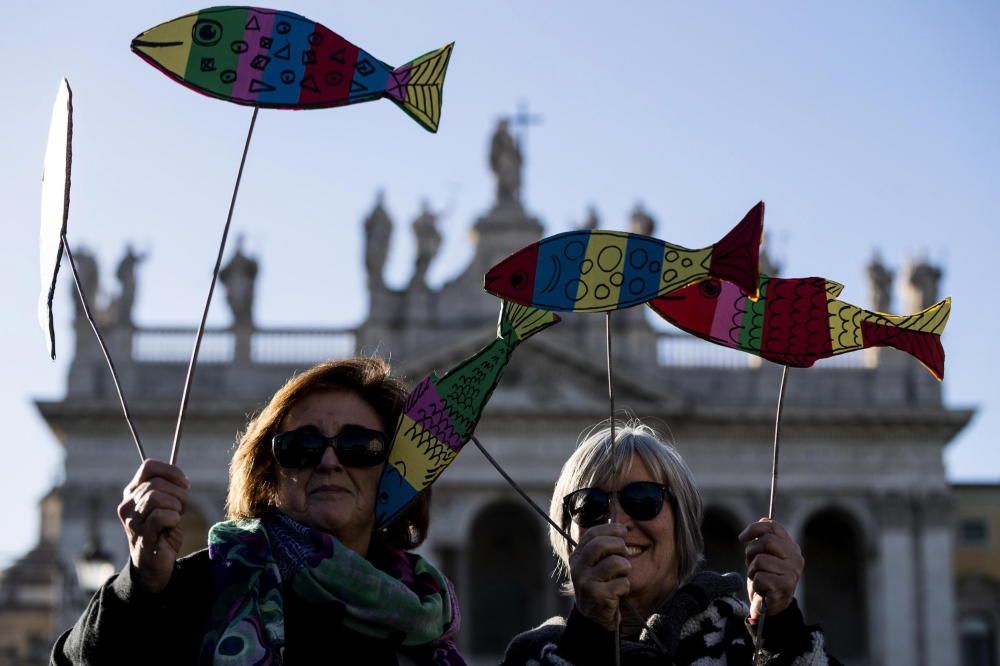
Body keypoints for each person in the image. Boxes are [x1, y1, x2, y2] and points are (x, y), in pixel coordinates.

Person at [53, 357, 465, 665]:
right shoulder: (205, 586)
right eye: (301, 448)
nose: (329, 462)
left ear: (396, 472)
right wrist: (139, 585)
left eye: (359, 446)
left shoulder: (423, 610)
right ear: (268, 472)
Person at [502, 421, 839, 665]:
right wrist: (591, 640)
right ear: (566, 535)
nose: (617, 522)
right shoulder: (533, 655)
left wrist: (780, 629)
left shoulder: (744, 644)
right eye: (590, 506)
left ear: (683, 523)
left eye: (643, 499)